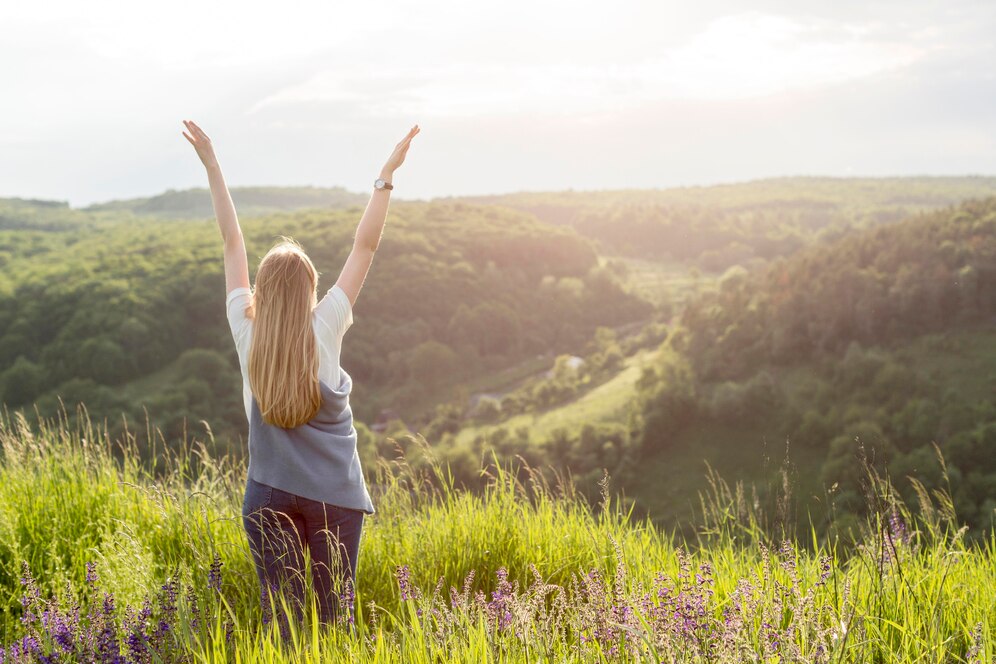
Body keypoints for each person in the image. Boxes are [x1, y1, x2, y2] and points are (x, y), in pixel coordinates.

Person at [181, 119, 419, 628]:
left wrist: (212, 165)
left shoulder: (247, 330)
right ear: (310, 289)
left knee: (284, 623)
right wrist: (385, 177)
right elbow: (364, 248)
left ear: (262, 291)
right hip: (334, 494)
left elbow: (231, 242)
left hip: (266, 490)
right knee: (335, 623)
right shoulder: (326, 325)